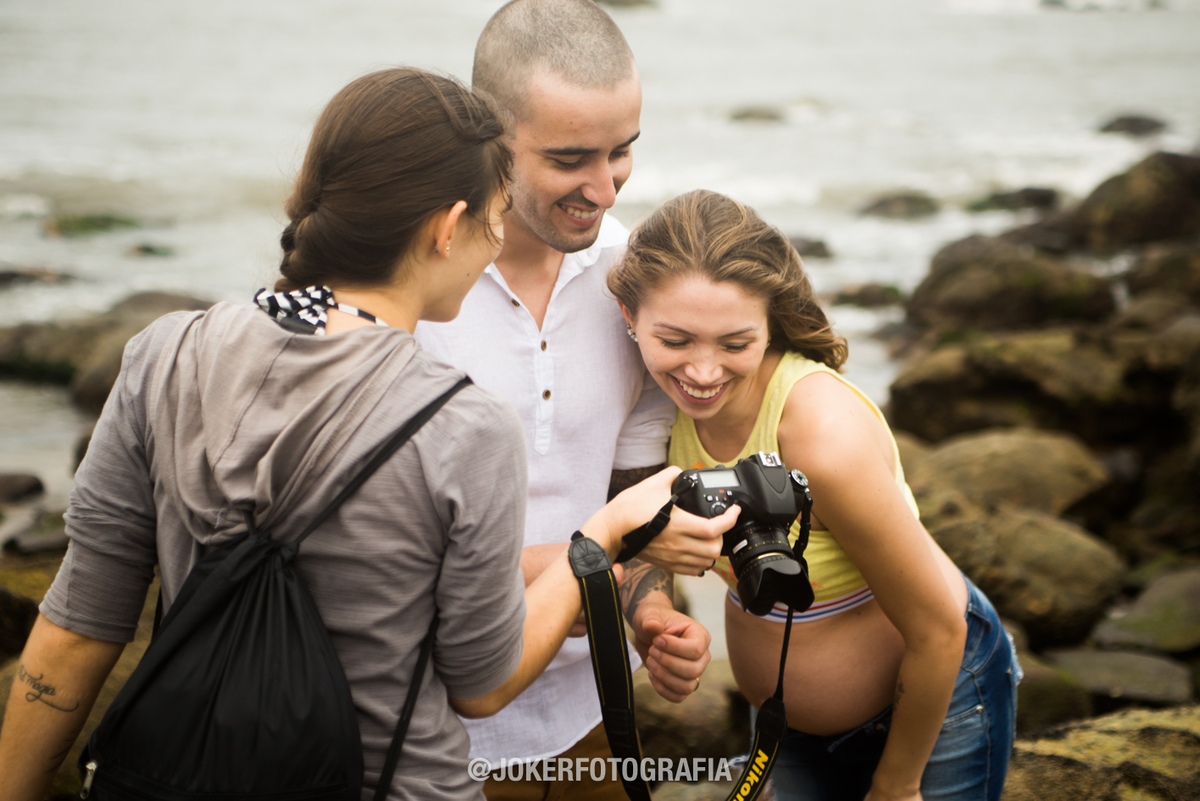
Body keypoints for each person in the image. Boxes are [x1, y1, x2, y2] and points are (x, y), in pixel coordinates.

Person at [0, 68, 685, 801]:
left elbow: (78, 628)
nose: (495, 246)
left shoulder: (162, 355)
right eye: (491, 220)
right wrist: (604, 534)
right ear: (445, 228)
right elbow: (485, 683)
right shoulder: (463, 425)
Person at [414, 2, 737, 798]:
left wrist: (650, 614)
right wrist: (604, 554)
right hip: (427, 733)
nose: (604, 186)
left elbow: (627, 504)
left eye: (623, 150)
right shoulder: (411, 283)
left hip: (592, 720)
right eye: (569, 158)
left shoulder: (639, 282)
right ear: (489, 137)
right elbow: (385, 550)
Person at [608, 190, 1020, 801]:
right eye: (676, 340)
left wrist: (897, 785)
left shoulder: (821, 439)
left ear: (771, 323)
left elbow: (937, 627)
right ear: (628, 317)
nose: (701, 371)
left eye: (734, 344)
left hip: (936, 700)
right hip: (783, 721)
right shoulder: (646, 407)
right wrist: (655, 616)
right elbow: (632, 529)